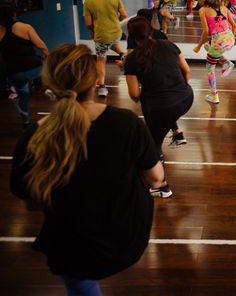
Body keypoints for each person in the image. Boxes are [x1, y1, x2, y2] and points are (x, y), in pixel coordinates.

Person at [10, 44, 165, 295]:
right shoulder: (126, 123)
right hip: (126, 237)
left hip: (74, 249)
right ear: (94, 82)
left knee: (79, 282)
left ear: (51, 85)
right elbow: (156, 179)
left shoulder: (33, 137)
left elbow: (30, 201)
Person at [124, 17, 194, 197]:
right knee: (165, 109)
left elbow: (133, 95)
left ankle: (161, 186)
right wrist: (179, 90)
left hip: (162, 107)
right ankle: (177, 133)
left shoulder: (132, 59)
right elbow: (186, 71)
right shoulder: (168, 45)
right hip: (187, 98)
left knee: (152, 143)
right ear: (151, 30)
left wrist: (146, 88)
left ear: (132, 37)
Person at [118, 9, 187, 148]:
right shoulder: (162, 37)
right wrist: (181, 86)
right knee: (165, 103)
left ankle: (156, 151)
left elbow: (135, 94)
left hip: (155, 85)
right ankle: (176, 133)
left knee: (155, 102)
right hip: (178, 90)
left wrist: (125, 65)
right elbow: (184, 68)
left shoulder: (134, 42)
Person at [0, 3, 49, 125]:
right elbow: (42, 46)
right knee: (50, 84)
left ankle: (26, 122)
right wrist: (46, 59)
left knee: (23, 95)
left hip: (14, 73)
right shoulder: (24, 27)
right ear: (13, 15)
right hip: (34, 68)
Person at [83, 0, 127, 97]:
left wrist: (93, 31)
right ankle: (123, 55)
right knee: (112, 43)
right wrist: (114, 23)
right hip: (116, 33)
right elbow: (124, 15)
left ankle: (102, 87)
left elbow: (88, 24)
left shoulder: (88, 3)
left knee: (101, 59)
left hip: (101, 36)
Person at [192, 0, 236, 104]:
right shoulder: (224, 8)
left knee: (209, 68)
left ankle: (214, 95)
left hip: (218, 42)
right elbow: (234, 25)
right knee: (208, 46)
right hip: (229, 39)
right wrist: (230, 37)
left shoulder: (203, 10)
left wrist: (198, 46)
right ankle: (226, 62)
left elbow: (206, 31)